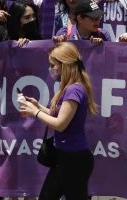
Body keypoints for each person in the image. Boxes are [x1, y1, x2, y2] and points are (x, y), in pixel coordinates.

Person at [19, 42, 97, 200]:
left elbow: (60, 124)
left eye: (53, 65)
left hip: (74, 160)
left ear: (65, 65)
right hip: (65, 158)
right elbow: (61, 117)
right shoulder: (70, 87)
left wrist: (36, 112)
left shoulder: (74, 89)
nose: (51, 69)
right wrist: (38, 106)